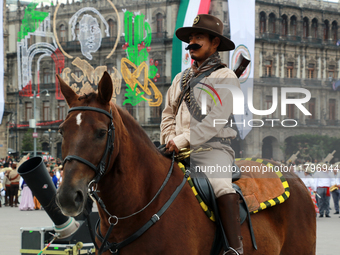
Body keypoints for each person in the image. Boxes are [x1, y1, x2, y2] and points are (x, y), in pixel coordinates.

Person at [161, 14, 242, 255]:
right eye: (191, 37)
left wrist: (182, 139)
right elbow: (167, 114)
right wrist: (168, 139)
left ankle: (234, 248)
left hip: (212, 150)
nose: (192, 42)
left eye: (199, 37)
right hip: (175, 149)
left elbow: (215, 121)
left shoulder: (226, 77)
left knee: (221, 187)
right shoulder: (180, 79)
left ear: (215, 43)